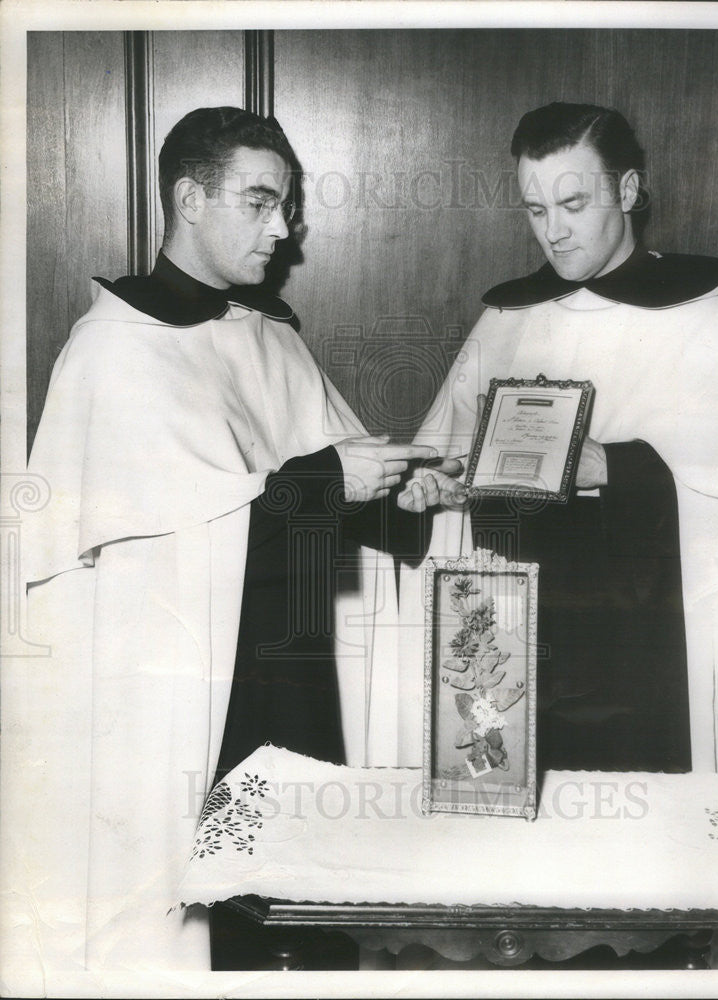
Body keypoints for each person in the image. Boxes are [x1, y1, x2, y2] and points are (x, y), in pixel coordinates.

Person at [14, 106, 458, 974]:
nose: (281, 229)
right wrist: (332, 481)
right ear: (188, 198)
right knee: (219, 944)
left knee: (303, 923)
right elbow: (146, 557)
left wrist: (409, 497)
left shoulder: (268, 336)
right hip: (184, 703)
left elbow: (323, 490)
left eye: (285, 205)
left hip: (295, 679)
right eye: (259, 203)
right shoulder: (114, 351)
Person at [398, 103, 718, 786]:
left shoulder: (706, 319)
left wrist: (613, 464)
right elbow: (452, 451)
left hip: (639, 632)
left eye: (573, 203)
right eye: (535, 209)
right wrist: (437, 483)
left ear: (628, 192)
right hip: (513, 628)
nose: (554, 231)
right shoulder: (506, 318)